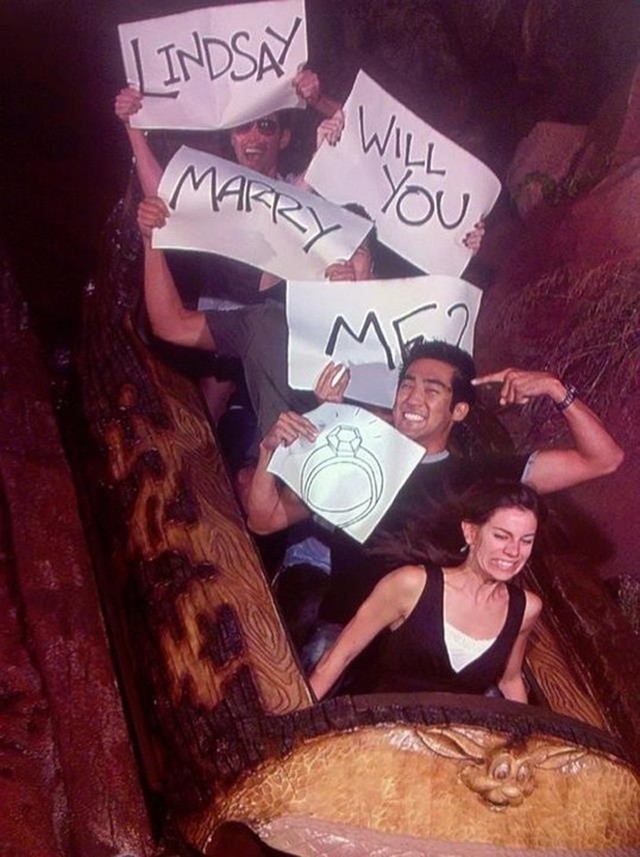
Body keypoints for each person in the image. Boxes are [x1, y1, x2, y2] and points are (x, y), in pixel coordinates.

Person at [246, 340, 624, 629]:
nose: (412, 399)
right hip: (344, 627)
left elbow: (604, 460)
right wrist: (269, 452)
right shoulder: (355, 458)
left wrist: (555, 389)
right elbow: (264, 520)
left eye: (432, 391)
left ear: (458, 411)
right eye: (406, 386)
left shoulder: (479, 476)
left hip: (423, 641)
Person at [309, 479, 544, 702]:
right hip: (381, 722)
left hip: (458, 730)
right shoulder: (411, 585)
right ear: (470, 532)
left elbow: (510, 680)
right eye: (501, 536)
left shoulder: (525, 609)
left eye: (526, 540)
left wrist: (528, 731)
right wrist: (297, 717)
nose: (514, 551)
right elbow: (338, 657)